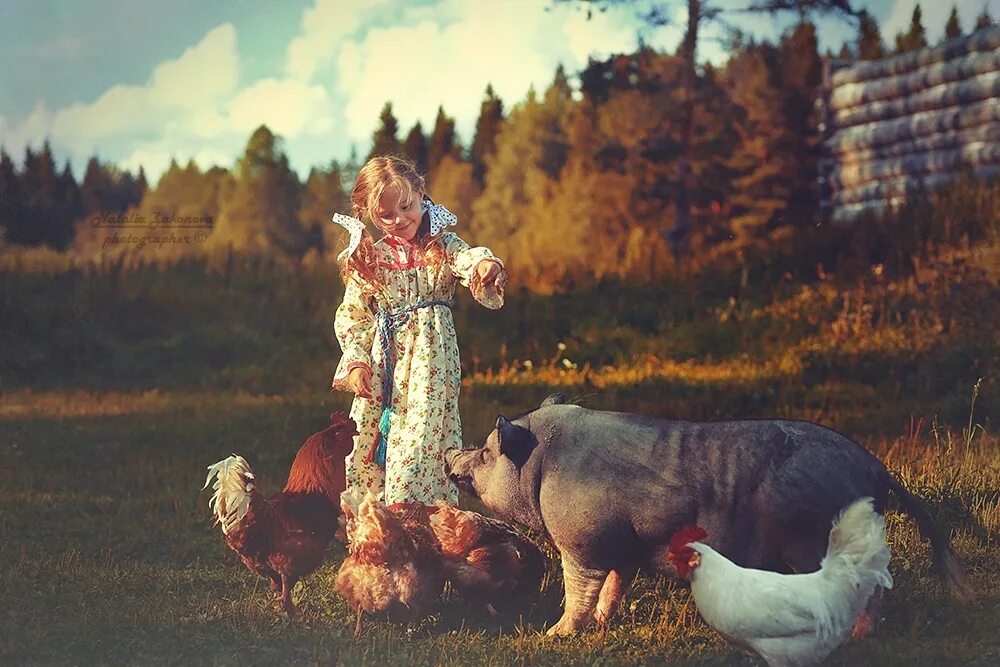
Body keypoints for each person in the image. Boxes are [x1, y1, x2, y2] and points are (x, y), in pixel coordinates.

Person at [331, 155, 506, 505]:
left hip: (430, 363)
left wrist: (485, 265)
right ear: (369, 214)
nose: (400, 219)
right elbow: (353, 316)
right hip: (386, 365)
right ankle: (377, 524)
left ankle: (416, 514)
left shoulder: (441, 246)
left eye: (407, 206)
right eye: (386, 215)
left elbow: (466, 257)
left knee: (422, 435)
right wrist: (356, 363)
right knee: (375, 434)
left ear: (421, 193)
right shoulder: (371, 258)